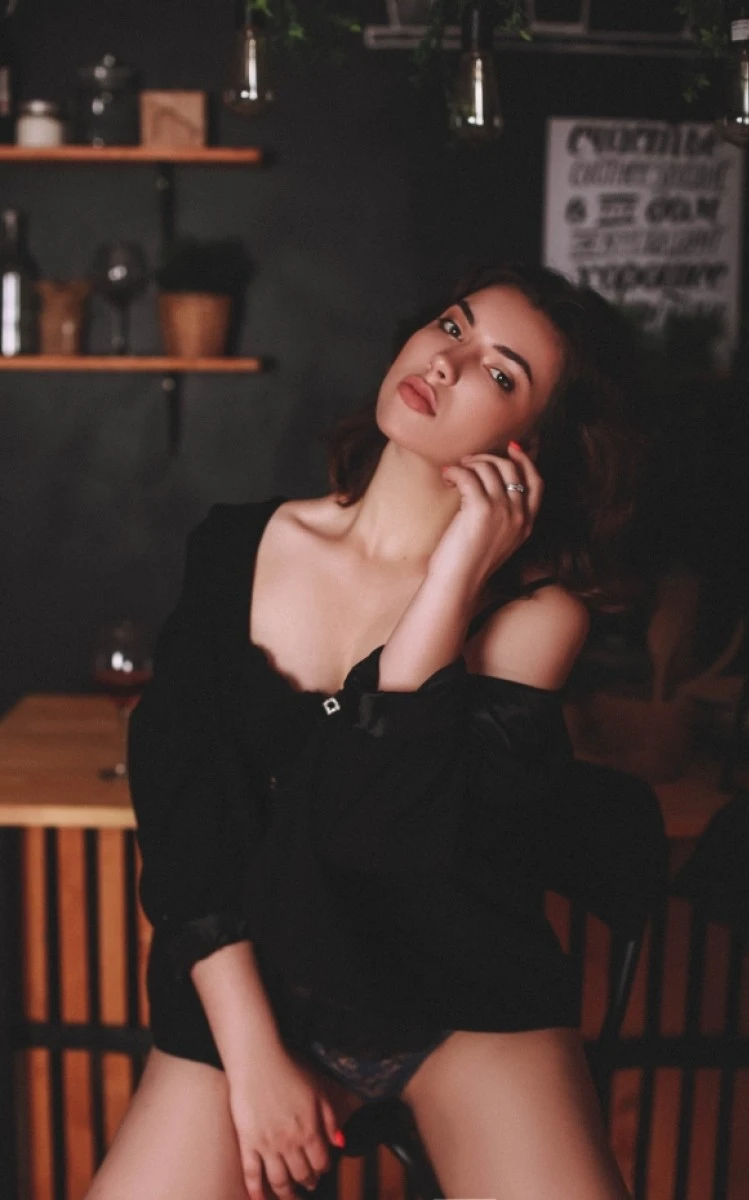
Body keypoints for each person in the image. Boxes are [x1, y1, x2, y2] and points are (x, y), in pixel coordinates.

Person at [85, 262, 646, 1200]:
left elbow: (379, 833)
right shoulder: (234, 548)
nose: (448, 362)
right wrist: (253, 1058)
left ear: (532, 447)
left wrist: (453, 578)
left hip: (457, 1000)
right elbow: (186, 820)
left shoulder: (534, 620)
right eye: (453, 327)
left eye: (500, 374)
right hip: (253, 990)